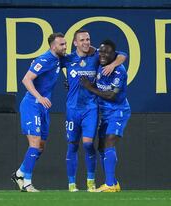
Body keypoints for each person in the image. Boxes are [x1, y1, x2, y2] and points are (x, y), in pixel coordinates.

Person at [61, 29, 127, 192]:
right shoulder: (68, 59)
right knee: (72, 146)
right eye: (82, 40)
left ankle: (91, 181)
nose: (86, 42)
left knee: (89, 144)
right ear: (75, 43)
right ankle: (71, 184)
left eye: (88, 39)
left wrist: (112, 64)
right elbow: (53, 65)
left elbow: (122, 55)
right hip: (72, 109)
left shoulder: (98, 56)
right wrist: (68, 82)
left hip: (91, 108)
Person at [11, 32, 67, 192]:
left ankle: (20, 173)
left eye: (65, 43)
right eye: (61, 44)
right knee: (34, 143)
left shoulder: (58, 59)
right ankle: (27, 183)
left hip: (43, 107)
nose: (64, 47)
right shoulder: (44, 59)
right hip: (32, 104)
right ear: (52, 46)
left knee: (40, 146)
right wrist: (40, 97)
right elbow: (26, 79)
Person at [80, 40, 131, 192]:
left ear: (113, 55)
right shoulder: (99, 63)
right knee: (102, 147)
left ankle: (109, 184)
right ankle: (113, 182)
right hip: (104, 112)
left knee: (109, 141)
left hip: (118, 110)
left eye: (107, 52)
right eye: (101, 52)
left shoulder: (119, 71)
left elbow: (111, 95)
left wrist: (89, 87)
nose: (102, 55)